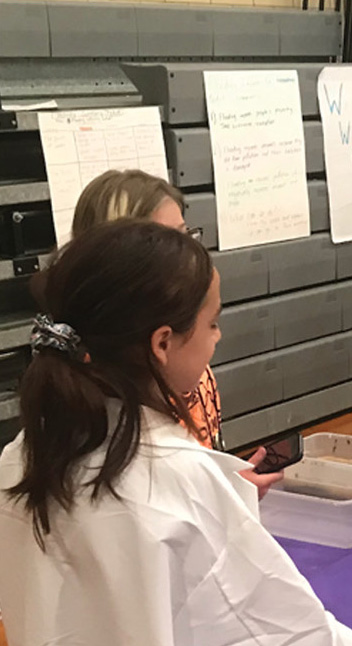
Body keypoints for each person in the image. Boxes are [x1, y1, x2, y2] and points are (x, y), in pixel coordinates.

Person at [0, 219, 352, 646]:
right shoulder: (175, 482)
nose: (219, 338)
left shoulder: (20, 461)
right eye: (213, 323)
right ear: (163, 342)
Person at [70, 168, 282, 497]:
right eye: (169, 241)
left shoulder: (186, 366)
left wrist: (225, 486)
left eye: (186, 237)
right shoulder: (93, 389)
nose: (189, 257)